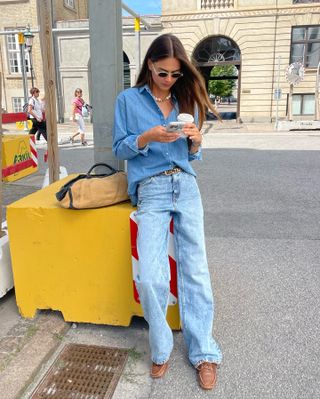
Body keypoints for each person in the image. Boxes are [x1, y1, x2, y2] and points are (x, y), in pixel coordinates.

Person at [113, 34, 222, 390]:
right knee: (151, 277)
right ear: (149, 65)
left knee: (196, 272)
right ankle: (161, 348)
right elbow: (121, 148)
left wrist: (196, 142)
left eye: (176, 74)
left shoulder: (183, 98)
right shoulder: (128, 100)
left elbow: (192, 157)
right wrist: (147, 138)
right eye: (163, 73)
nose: (169, 80)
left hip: (186, 187)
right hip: (152, 189)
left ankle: (204, 352)